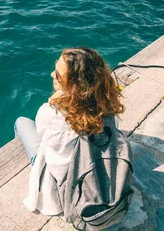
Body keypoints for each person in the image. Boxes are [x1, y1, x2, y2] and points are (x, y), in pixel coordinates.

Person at [14, 47, 126, 216]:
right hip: (94, 169)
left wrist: (56, 101)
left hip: (68, 184)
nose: (52, 75)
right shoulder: (109, 107)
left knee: (21, 122)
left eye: (58, 74)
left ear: (75, 85)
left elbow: (45, 137)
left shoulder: (51, 112)